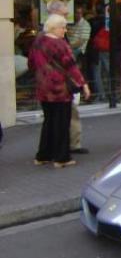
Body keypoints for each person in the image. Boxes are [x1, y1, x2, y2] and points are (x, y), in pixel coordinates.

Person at [28, 14, 90, 168]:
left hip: (43, 88)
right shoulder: (60, 44)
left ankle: (43, 155)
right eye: (63, 27)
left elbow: (31, 63)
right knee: (62, 122)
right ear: (54, 28)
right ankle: (61, 158)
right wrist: (84, 84)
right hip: (60, 89)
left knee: (48, 121)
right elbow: (71, 66)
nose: (65, 30)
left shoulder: (38, 42)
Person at [48, 1, 88, 154]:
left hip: (60, 80)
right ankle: (66, 146)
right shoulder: (53, 37)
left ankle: (69, 143)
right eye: (64, 14)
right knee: (65, 113)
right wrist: (81, 82)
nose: (67, 19)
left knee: (69, 112)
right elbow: (67, 61)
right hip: (59, 81)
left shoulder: (56, 35)